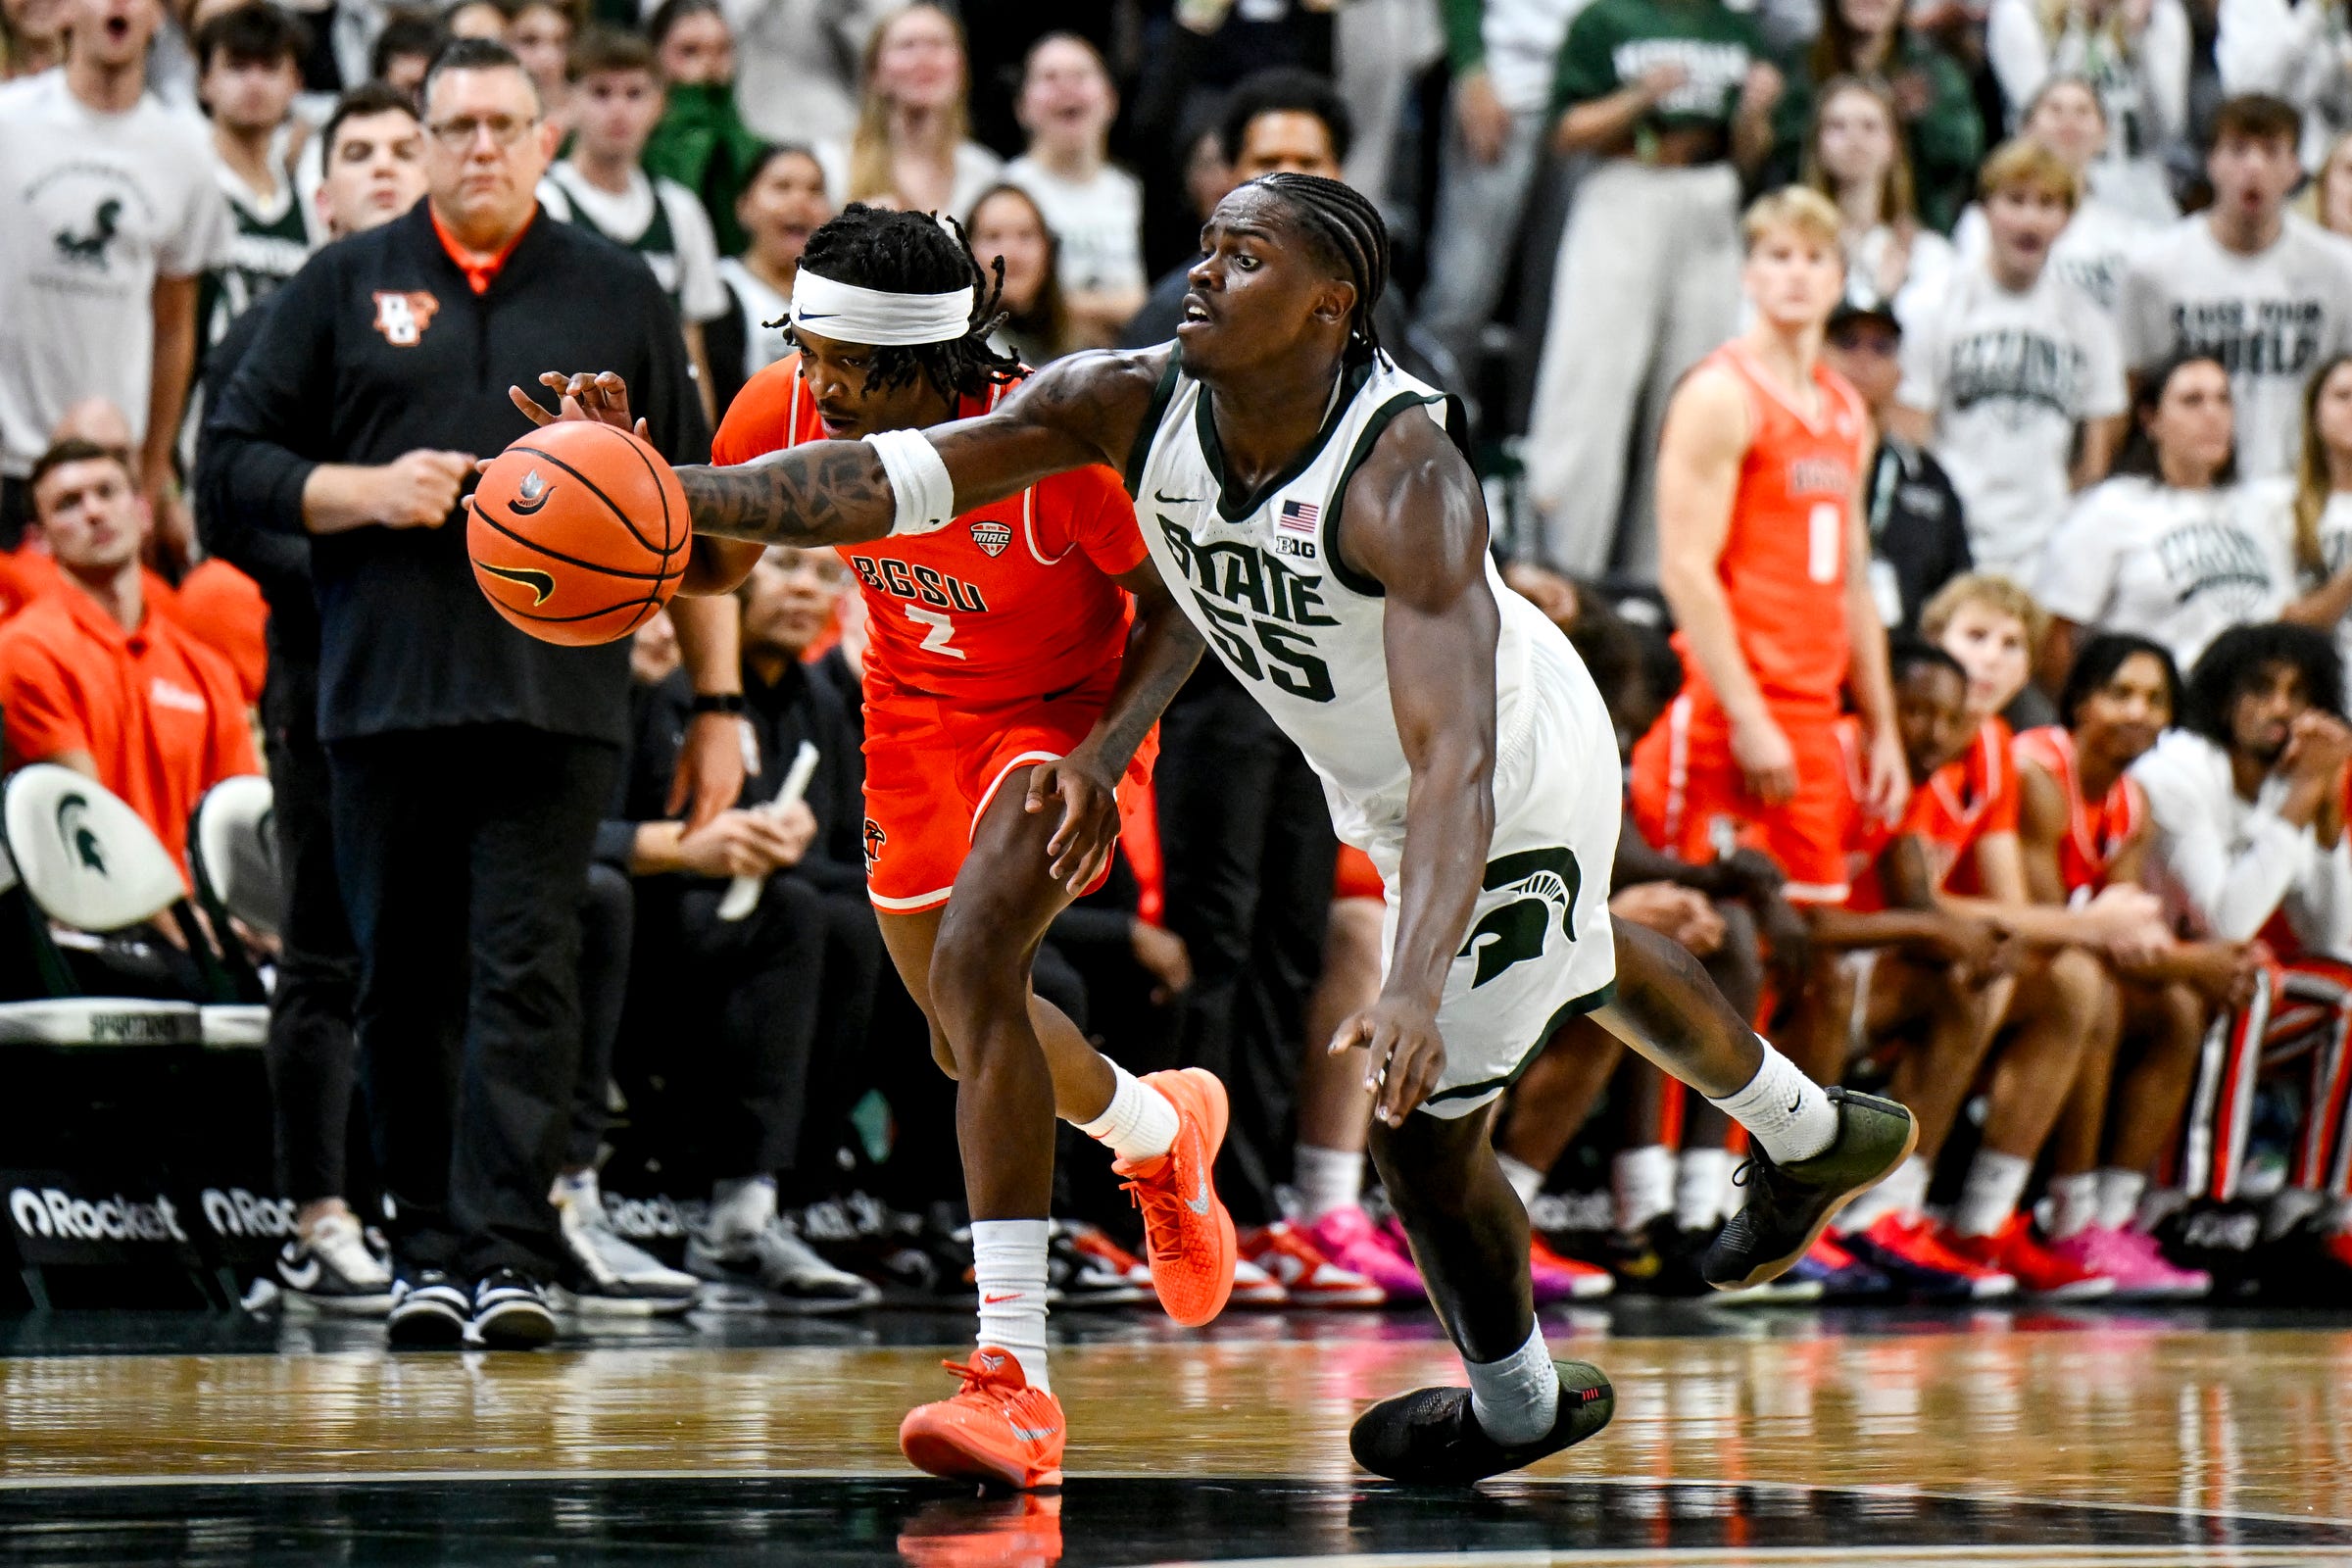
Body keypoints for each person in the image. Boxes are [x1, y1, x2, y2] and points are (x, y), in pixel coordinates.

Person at [540, 170, 1920, 1487]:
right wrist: (662, 489)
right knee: (1567, 956)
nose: (1204, 270)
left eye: (1247, 256)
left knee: (1419, 1128)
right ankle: (1808, 1130)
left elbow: (1458, 769)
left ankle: (1517, 1404)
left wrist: (1416, 983)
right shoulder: (1128, 398)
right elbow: (888, 483)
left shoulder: (1407, 480)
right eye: (1208, 243)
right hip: (1349, 761)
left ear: (1331, 305)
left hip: (1506, 763)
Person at [576, 201, 1244, 1480]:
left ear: (928, 367)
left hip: (1060, 718)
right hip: (913, 713)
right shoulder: (784, 405)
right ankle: (1162, 1136)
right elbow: (714, 566)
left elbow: (1179, 608)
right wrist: (627, 488)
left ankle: (1015, 1377)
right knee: (958, 1029)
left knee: (984, 978)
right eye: (806, 351)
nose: (814, 386)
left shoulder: (1053, 444)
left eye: (845, 367)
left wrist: (1105, 756)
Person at [199, 39, 742, 1351]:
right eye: (456, 127)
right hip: (379, 695)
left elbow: (701, 518)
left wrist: (721, 706)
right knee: (402, 977)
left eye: (504, 124)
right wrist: (365, 493)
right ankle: (423, 1248)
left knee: (529, 973)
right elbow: (228, 474)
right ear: (423, 141)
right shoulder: (342, 280)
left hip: (556, 698)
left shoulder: (617, 290)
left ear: (547, 140)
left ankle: (510, 1253)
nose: (480, 148)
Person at [194, 82, 425, 1314]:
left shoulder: (465, 328)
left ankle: (432, 1214)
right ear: (317, 190)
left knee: (434, 962)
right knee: (327, 957)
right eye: (358, 154)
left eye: (406, 149)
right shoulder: (277, 320)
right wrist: (366, 564)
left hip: (451, 687)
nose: (385, 170)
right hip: (327, 678)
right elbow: (222, 506)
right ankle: (314, 1219)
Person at [578, 545, 884, 1314]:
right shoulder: (662, 680)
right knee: (801, 916)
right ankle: (733, 1206)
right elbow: (587, 836)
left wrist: (786, 846)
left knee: (850, 925)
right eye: (785, 566)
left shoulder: (817, 705)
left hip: (771, 929)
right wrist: (690, 849)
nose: (804, 591)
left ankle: (774, 1197)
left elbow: (852, 858)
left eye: (826, 576)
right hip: (649, 928)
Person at [1631, 186, 1907, 918]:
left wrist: (1881, 725)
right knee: (1705, 943)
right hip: (1730, 710)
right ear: (1748, 274)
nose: (1795, 273)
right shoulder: (1721, 394)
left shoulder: (1847, 409)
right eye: (1777, 256)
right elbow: (1685, 570)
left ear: (1840, 277)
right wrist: (1750, 718)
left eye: (1814, 258)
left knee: (1810, 946)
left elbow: (1853, 579)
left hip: (1815, 716)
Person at [2131, 622, 2352, 1295]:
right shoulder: (2178, 772)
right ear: (2223, 699)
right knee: (2246, 972)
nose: (2282, 709)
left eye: (2299, 693)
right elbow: (2227, 920)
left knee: (2343, 992)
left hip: (2211, 988)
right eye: (2261, 689)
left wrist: (2322, 810)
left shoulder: (2291, 781)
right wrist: (2292, 807)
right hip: (2144, 977)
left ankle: (2308, 1206)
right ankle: (2193, 1199)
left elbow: (2337, 938)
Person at [1524, 0, 1782, 577]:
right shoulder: (1606, 19)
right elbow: (1565, 131)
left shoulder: (1737, 29)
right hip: (1624, 187)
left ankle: (1663, 590)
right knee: (1589, 395)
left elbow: (1751, 155)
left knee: (1691, 400)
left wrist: (1753, 117)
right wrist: (1640, 97)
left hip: (1712, 199)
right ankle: (1563, 578)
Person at [2016, 633, 2231, 1297]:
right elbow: (2055, 926)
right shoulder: (2038, 771)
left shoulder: (2132, 803)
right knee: (2097, 990)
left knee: (2179, 1006)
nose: (2138, 712)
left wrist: (2190, 966)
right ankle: (2069, 1217)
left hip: (2068, 958)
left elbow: (2129, 923)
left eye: (2154, 699)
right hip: (2010, 956)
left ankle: (2112, 1219)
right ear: (2080, 700)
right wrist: (2191, 958)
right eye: (2121, 694)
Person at [0, 0, 230, 548]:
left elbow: (175, 328)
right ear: (65, 11)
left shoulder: (187, 154)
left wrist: (151, 475)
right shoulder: (8, 122)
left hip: (109, 470)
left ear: (160, 18)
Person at [0, 439, 257, 867]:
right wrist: (193, 933)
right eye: (68, 504)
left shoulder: (206, 668)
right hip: (98, 920)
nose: (93, 511)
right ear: (39, 541)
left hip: (200, 917)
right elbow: (91, 834)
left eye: (107, 492)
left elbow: (241, 825)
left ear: (142, 513)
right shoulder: (27, 649)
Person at [1891, 138, 2127, 579]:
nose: (2030, 219)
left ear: (2067, 220)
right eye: (2015, 201)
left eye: (2047, 204)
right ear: (1985, 211)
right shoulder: (1933, 304)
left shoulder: (2089, 322)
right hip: (1955, 533)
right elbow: (1910, 440)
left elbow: (2096, 458)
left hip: (2047, 543)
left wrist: (2065, 526)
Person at [2119, 94, 2352, 481]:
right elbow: (2133, 392)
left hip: (2302, 485)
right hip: (2197, 487)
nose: (2254, 167)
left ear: (2295, 169)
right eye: (2238, 150)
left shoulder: (2338, 269)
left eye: (2271, 151)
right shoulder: (2154, 268)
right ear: (2211, 163)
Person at [2035, 352, 2291, 681]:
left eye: (2223, 400)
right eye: (2192, 401)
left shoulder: (2256, 510)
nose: (2212, 414)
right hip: (2154, 711)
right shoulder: (2111, 508)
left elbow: (2287, 618)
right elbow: (2054, 632)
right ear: (2150, 419)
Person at [538, 26, 727, 427]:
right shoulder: (546, 202)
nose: (619, 110)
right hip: (574, 424)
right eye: (601, 93)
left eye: (635, 93)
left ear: (659, 103)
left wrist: (704, 448)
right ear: (569, 100)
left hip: (657, 421)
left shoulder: (680, 209)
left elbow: (692, 351)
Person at [1414, 0, 1585, 379]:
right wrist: (1471, 68)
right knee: (1462, 287)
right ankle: (1421, 421)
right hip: (1507, 85)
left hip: (1586, 96)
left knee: (1565, 293)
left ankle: (1530, 431)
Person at [1949, 76, 2166, 317]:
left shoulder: (2133, 218)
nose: (2069, 121)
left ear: (2104, 134)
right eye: (2055, 109)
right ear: (2026, 128)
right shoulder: (1982, 221)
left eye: (2083, 111)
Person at [1821, 302, 1972, 633]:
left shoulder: (1928, 478)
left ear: (1900, 374)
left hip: (1901, 653)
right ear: (1816, 356)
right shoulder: (1785, 454)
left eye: (1881, 348)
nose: (1863, 359)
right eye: (1847, 342)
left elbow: (1957, 590)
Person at [1769, 0, 1983, 233]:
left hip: (1915, 228)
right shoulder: (1802, 66)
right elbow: (1781, 157)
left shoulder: (1933, 71)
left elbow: (1962, 156)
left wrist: (1923, 120)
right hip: (1813, 230)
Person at [194, 3, 320, 365]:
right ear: (204, 81)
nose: (254, 83)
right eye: (237, 67)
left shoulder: (310, 196)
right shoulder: (189, 182)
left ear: (296, 82)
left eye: (269, 68)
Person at [1986, 0, 2189, 223]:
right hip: (2047, 185)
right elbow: (2042, 116)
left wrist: (2138, 37)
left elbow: (2170, 125)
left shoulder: (2159, 12)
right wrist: (2076, 27)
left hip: (2136, 183)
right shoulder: (2019, 10)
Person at [1003, 33, 1144, 350]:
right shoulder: (1007, 193)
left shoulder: (1135, 192)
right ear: (1022, 106)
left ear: (1111, 100)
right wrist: (1121, 308)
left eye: (1081, 75)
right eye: (1049, 77)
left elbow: (1159, 301)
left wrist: (1066, 307)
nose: (1066, 87)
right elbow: (1014, 301)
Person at [819, 3, 1001, 217]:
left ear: (961, 69)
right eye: (907, 46)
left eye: (937, 44)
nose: (923, 59)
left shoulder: (986, 176)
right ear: (875, 72)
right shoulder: (831, 167)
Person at [1802, 75, 1954, 317]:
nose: (1854, 138)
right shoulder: (1794, 251)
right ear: (1818, 144)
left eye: (1870, 126)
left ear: (1893, 143)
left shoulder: (1926, 253)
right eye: (1837, 126)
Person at [710, 144, 832, 414]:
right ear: (743, 207)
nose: (800, 201)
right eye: (782, 187)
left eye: (815, 190)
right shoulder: (718, 291)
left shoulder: (840, 297)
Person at [642, 0, 764, 258]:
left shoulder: (755, 147)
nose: (709, 65)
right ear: (655, 55)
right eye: (690, 51)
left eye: (722, 50)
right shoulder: (637, 144)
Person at [967, 183, 1073, 367]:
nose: (1011, 254)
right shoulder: (962, 355)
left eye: (1025, 235)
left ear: (1048, 249)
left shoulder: (1081, 348)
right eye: (993, 236)